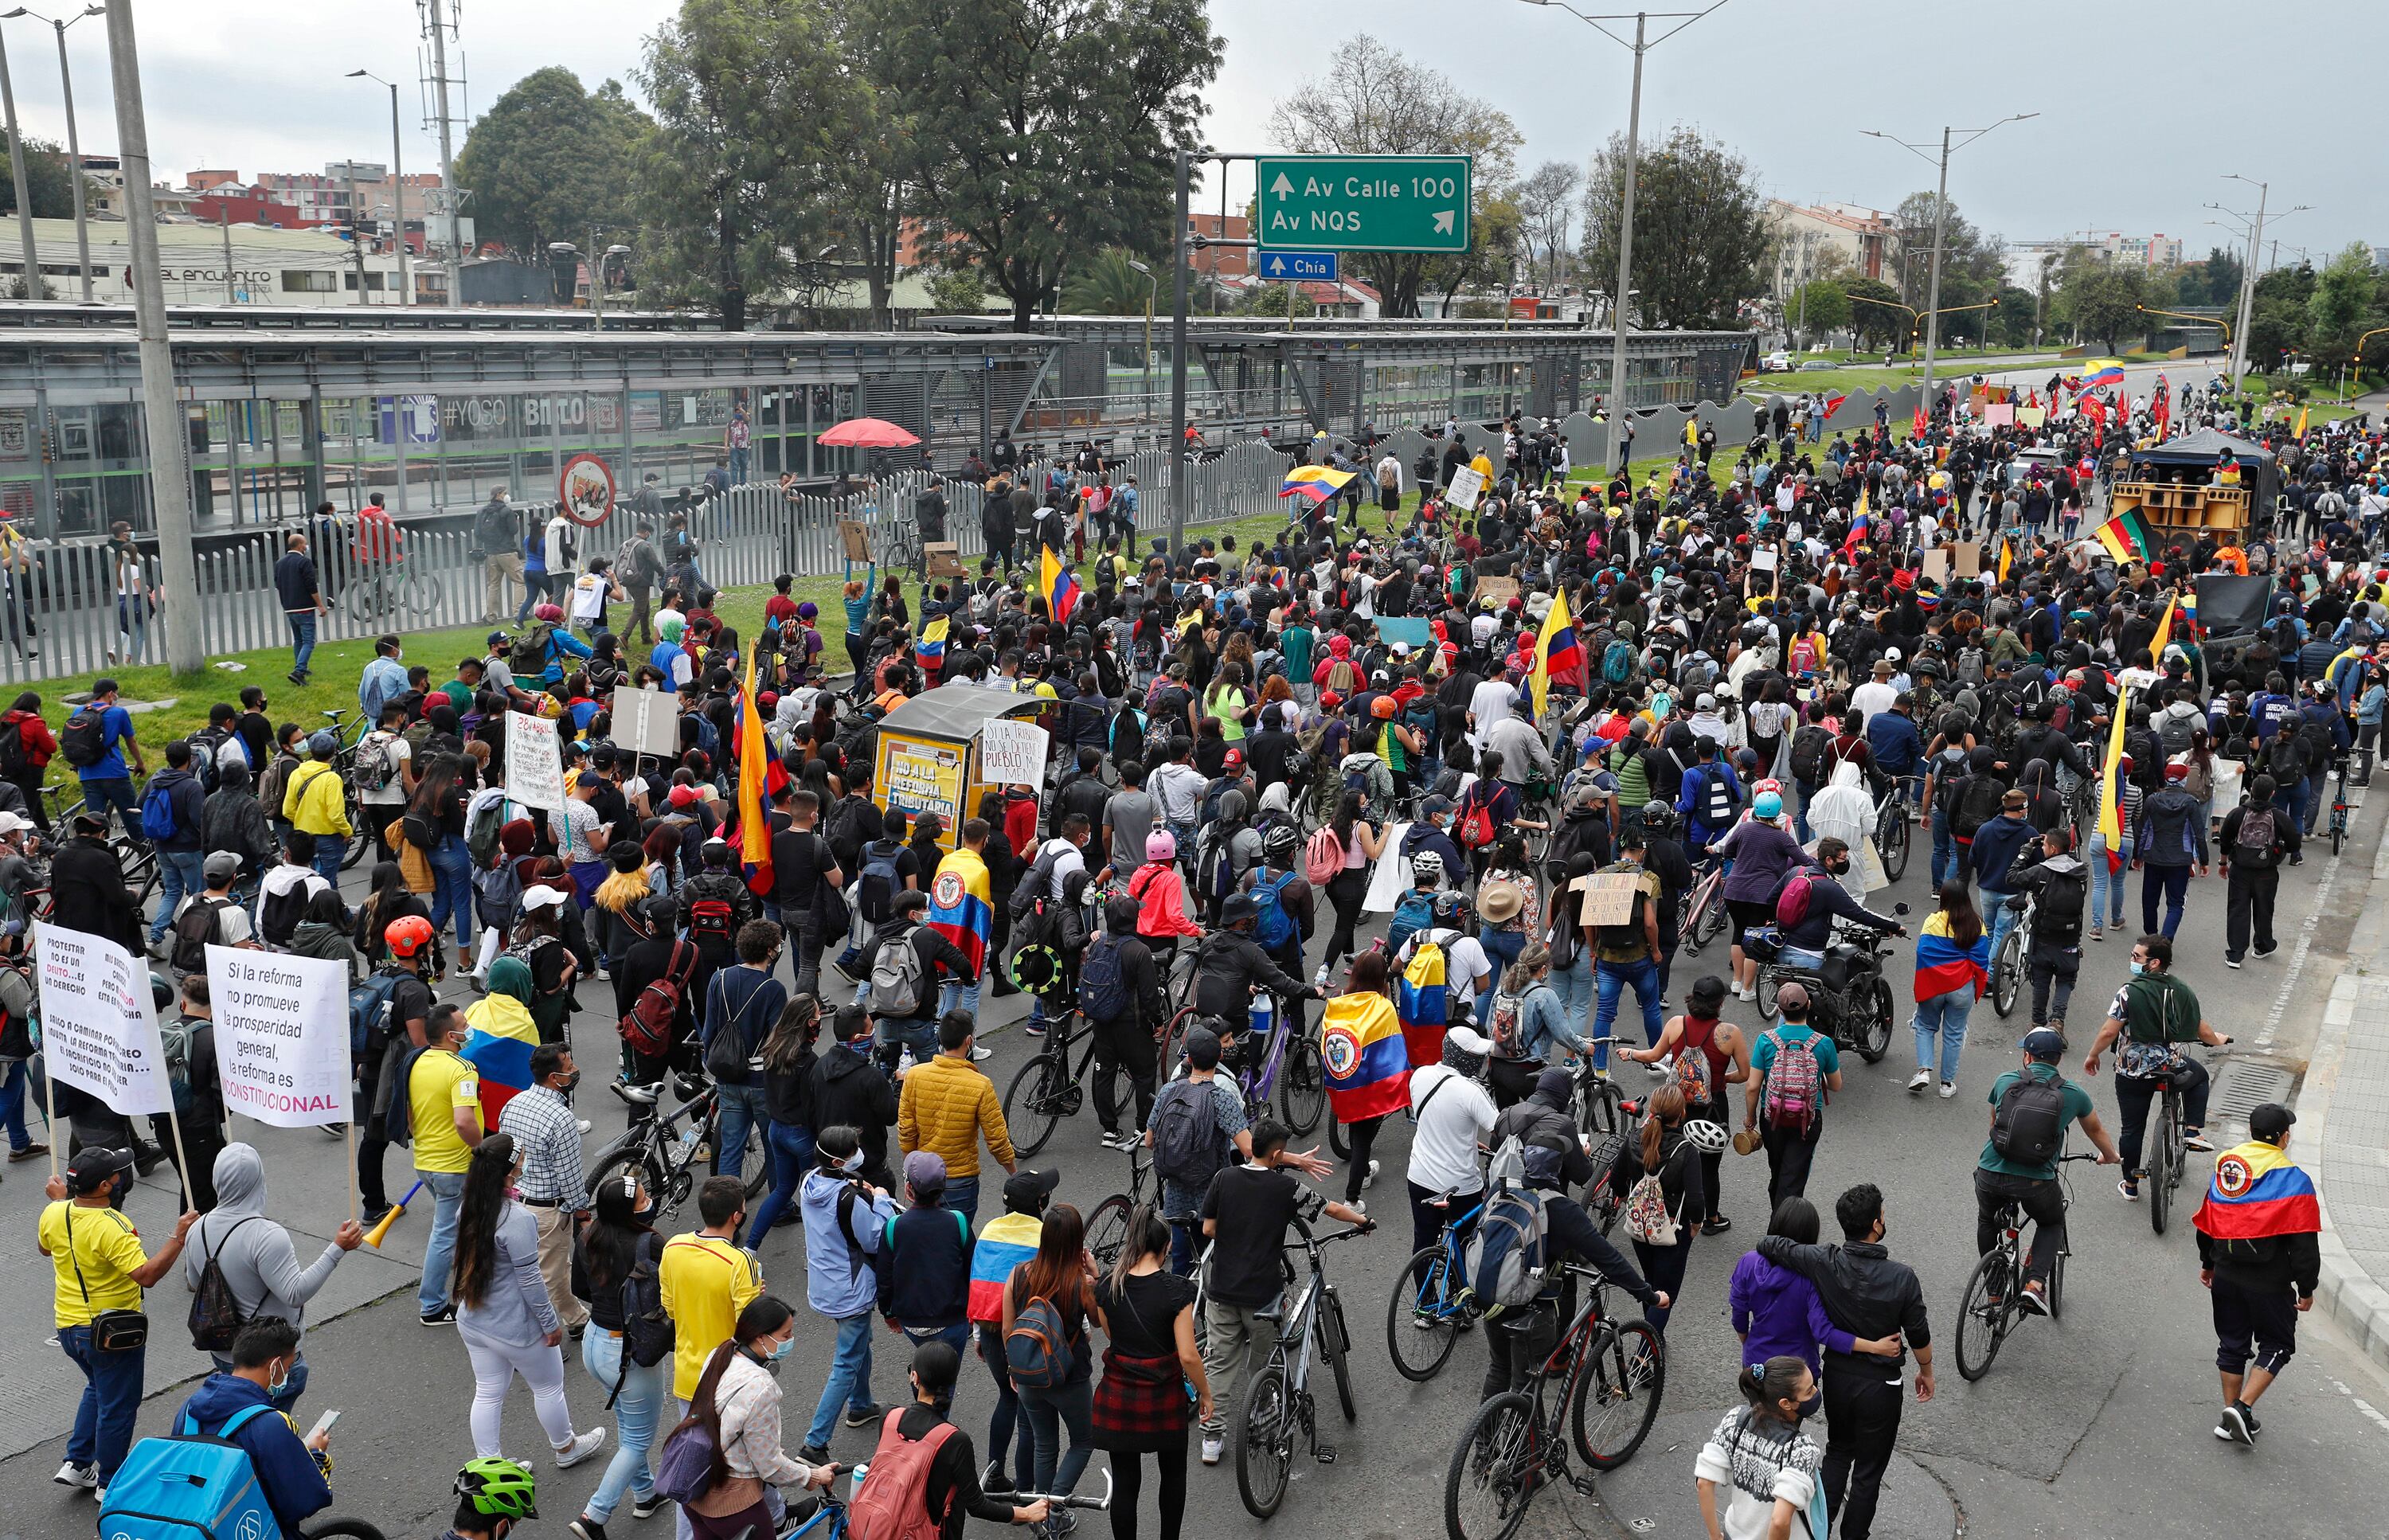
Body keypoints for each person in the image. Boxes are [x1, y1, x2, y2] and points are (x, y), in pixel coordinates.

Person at [1756, 1183, 1934, 1540]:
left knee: (1837, 1453)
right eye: (1882, 1214)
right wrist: (1926, 1371)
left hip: (1838, 1376)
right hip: (1881, 1388)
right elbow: (1919, 1334)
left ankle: (1816, 1530)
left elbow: (1769, 1244)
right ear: (1876, 1224)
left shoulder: (1824, 1260)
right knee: (1868, 1471)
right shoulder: (1902, 1278)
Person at [1197, 1116, 1370, 1465]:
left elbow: (1209, 1228)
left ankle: (1212, 1440)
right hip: (1262, 1296)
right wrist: (1362, 1221)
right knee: (1263, 1362)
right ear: (1276, 1155)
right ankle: (1261, 1421)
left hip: (1222, 1291)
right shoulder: (1286, 1190)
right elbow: (1330, 1208)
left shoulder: (1223, 1178)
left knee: (1219, 1364)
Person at [39, 1145, 197, 1492]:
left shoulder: (53, 1213)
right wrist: (179, 1237)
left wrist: (61, 1202)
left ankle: (78, 1462)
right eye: (116, 1172)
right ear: (106, 1187)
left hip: (69, 1328)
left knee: (98, 1388)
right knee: (119, 1407)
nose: (121, 1175)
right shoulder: (114, 1224)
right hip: (110, 1333)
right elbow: (146, 1275)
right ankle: (109, 1482)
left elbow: (46, 1248)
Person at [452, 1132, 608, 1466]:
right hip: (514, 1326)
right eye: (520, 1158)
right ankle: (566, 1448)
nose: (524, 1161)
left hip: (474, 1318)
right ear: (509, 1172)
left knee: (489, 1391)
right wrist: (550, 1324)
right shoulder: (519, 1219)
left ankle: (489, 1468)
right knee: (549, 1386)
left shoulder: (468, 1207)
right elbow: (531, 1280)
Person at [182, 1143, 366, 1412]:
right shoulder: (266, 1235)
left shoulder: (196, 1228)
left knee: (243, 1424)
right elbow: (295, 1293)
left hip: (224, 1352)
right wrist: (337, 1249)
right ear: (259, 1180)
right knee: (270, 1431)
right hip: (271, 1357)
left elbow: (195, 1282)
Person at [2192, 1101, 2321, 1446]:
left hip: (2226, 1273)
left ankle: (2229, 1415)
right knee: (2278, 1345)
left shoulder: (2228, 1166)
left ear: (2251, 1133)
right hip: (2269, 1281)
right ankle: (2243, 1408)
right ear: (2283, 1137)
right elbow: (2304, 1243)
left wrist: (2209, 1263)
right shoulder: (2294, 1179)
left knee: (2232, 1344)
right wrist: (2307, 1288)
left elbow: (2209, 1219)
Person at [1975, 1027, 2121, 1316]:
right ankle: (2034, 1284)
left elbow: (1994, 1124)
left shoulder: (2005, 1080)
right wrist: (2110, 1156)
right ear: (2058, 1059)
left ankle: (1994, 1292)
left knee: (1987, 1220)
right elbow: (2096, 1130)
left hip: (1990, 1171)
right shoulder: (2073, 1094)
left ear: (2027, 1056)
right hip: (2036, 1181)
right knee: (2052, 1222)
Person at [671, 1297, 840, 1540]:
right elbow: (770, 1466)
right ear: (761, 1337)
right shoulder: (760, 1386)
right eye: (785, 1335)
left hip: (696, 1491)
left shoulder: (719, 1355)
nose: (791, 1341)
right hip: (733, 1503)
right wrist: (812, 1476)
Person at [850, 1341, 1052, 1539]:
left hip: (877, 1524)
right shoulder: (954, 1440)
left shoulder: (889, 1417)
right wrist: (1027, 1513)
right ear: (951, 1382)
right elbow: (977, 1505)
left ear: (915, 1377)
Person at [2083, 933, 2232, 1200]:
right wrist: (2218, 1040)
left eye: (2136, 956)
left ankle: (2130, 1185)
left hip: (2132, 1072)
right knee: (2199, 1076)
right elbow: (2203, 1029)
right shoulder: (2180, 990)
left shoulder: (2129, 992)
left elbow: (2109, 1032)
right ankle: (2192, 1130)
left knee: (2132, 1129)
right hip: (2171, 1067)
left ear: (2153, 963)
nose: (2132, 960)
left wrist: (2093, 1055)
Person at [1092, 1206, 1210, 1540]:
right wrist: (1206, 1393)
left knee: (1126, 1482)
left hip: (1119, 1397)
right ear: (1167, 1246)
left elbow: (1113, 1335)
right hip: (1163, 1399)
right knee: (1173, 1476)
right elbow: (1188, 1355)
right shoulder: (1178, 1291)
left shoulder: (1106, 1285)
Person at [570, 1170, 670, 1540]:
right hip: (630, 1353)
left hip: (595, 1344)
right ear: (630, 1211)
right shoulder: (651, 1244)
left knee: (630, 1427)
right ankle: (593, 1516)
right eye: (643, 1200)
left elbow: (577, 1286)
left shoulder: (587, 1236)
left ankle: (646, 1494)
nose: (649, 1204)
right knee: (638, 1441)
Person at [171, 1317, 336, 1538]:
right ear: (275, 1365)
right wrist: (316, 1454)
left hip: (195, 1525)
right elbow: (305, 1499)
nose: (287, 1374)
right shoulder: (271, 1424)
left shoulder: (189, 1408)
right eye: (288, 1367)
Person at [797, 1125, 898, 1463]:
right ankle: (815, 1442)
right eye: (854, 1149)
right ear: (840, 1161)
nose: (859, 1151)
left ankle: (861, 1405)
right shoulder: (848, 1198)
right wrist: (881, 1200)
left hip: (826, 1283)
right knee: (846, 1361)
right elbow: (875, 1237)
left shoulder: (811, 1181)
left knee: (858, 1345)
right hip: (850, 1288)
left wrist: (854, 1186)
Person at [1621, 975, 1748, 1233]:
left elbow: (1654, 1055)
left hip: (1677, 1107)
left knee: (1671, 1152)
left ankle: (1669, 1207)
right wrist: (1719, 1078)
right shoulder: (1729, 1034)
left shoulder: (1677, 1024)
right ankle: (1711, 1219)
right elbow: (1745, 1074)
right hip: (1713, 1108)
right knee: (1709, 1168)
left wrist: (1631, 1054)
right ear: (1720, 1004)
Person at [1730, 1196, 1901, 1376]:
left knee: (1759, 1405)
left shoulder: (1748, 1261)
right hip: (1798, 1372)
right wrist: (1875, 1347)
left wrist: (1748, 1343)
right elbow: (1824, 1332)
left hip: (1757, 1366)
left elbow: (1738, 1312)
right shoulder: (1811, 1277)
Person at [1001, 1202, 1100, 1507]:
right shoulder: (1081, 1284)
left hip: (1030, 1376)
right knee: (1083, 1442)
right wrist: (1096, 1277)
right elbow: (1098, 1321)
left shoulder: (1018, 1275)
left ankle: (1040, 1516)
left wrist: (1013, 1370)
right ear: (1076, 1243)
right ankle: (1055, 1506)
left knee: (1045, 1445)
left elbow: (1007, 1330)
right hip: (1070, 1377)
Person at [495, 1042, 591, 1334]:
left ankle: (574, 1317)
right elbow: (570, 1174)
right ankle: (539, 1335)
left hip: (515, 1200)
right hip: (547, 1210)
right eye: (569, 1067)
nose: (574, 1070)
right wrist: (582, 1212)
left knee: (550, 1267)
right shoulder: (561, 1118)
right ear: (554, 1078)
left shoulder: (514, 1103)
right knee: (548, 1274)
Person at [1694, 1356, 1829, 1540]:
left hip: (1734, 1533)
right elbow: (1780, 1521)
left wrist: (1714, 1535)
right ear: (1785, 1403)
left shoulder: (1736, 1420)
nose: (1815, 1392)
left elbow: (1703, 1482)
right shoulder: (1801, 1449)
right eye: (1809, 1391)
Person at [1613, 1083, 1711, 1335]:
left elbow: (1616, 1179)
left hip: (1640, 1225)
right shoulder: (1686, 1150)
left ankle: (1651, 1337)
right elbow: (1697, 1199)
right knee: (1666, 1293)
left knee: (1651, 1284)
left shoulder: (1634, 1139)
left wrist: (1624, 1195)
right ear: (1682, 1114)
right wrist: (1697, 1224)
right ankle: (1646, 1354)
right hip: (1672, 1229)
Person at [409, 1001, 485, 1326]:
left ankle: (467, 1283)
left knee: (457, 1228)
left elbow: (411, 1116)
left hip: (425, 1161)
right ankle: (432, 1304)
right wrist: (484, 1151)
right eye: (465, 1025)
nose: (470, 1029)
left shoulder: (417, 1062)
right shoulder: (462, 1070)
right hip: (455, 1165)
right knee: (445, 1234)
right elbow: (465, 1122)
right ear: (451, 1035)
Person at [660, 1175, 764, 1405]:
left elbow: (670, 1308)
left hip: (688, 1380)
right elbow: (749, 1327)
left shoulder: (673, 1247)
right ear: (736, 1217)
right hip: (728, 1379)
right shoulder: (740, 1261)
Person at [1403, 1022, 1501, 1257]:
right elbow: (1500, 1127)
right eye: (1477, 1055)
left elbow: (1433, 1116)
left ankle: (1424, 1294)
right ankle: (1462, 1290)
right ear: (1464, 1057)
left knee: (1424, 1242)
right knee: (1468, 1246)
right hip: (1460, 1187)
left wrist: (1460, 1137)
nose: (1481, 1061)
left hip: (1419, 1177)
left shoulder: (1420, 1075)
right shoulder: (1472, 1091)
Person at [1746, 983, 1843, 1207]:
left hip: (1772, 1118)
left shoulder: (1766, 1040)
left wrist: (1750, 1117)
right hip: (1807, 1120)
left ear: (1779, 1011)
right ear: (1809, 1005)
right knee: (1794, 1176)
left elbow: (1752, 1086)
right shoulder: (1823, 1043)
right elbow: (1836, 1085)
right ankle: (1783, 1228)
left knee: (1778, 1170)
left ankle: (1778, 1218)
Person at [1907, 880, 1990, 1096]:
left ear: (1943, 898)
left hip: (1934, 985)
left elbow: (1923, 952)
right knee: (1954, 1035)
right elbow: (1982, 961)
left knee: (1925, 1026)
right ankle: (1946, 1084)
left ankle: (1924, 1071)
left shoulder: (1933, 921)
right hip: (1962, 988)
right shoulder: (1977, 924)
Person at [2005, 827, 2089, 1039]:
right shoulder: (2080, 872)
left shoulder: (2040, 872)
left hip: (2043, 934)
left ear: (2052, 848)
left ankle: (2037, 1022)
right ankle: (2057, 1021)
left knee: (2041, 978)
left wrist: (2025, 852)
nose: (2042, 848)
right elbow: (2066, 858)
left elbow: (2012, 877)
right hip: (2070, 936)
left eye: (2044, 846)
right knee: (2065, 979)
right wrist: (2059, 844)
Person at [2218, 773, 2297, 968]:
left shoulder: (2237, 813)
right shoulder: (2279, 816)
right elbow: (2295, 842)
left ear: (2252, 791)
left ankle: (2235, 954)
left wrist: (2223, 862)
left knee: (2238, 909)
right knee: (2264, 909)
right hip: (2267, 870)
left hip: (2240, 869)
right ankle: (2263, 945)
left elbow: (2225, 838)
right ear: (2272, 794)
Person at [2133, 760, 2209, 940]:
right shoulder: (2191, 803)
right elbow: (2199, 834)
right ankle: (2166, 940)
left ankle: (2151, 935)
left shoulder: (2152, 800)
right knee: (2176, 903)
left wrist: (2138, 855)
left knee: (2149, 900)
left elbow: (2142, 830)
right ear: (2184, 780)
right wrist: (2204, 861)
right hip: (2180, 860)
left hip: (2154, 857)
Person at [272, 533, 326, 683]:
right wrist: (320, 605)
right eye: (305, 543)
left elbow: (277, 583)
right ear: (300, 545)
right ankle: (299, 671)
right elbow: (311, 585)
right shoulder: (304, 562)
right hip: (304, 607)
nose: (306, 546)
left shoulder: (280, 562)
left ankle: (301, 666)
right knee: (309, 641)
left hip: (289, 607)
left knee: (298, 640)